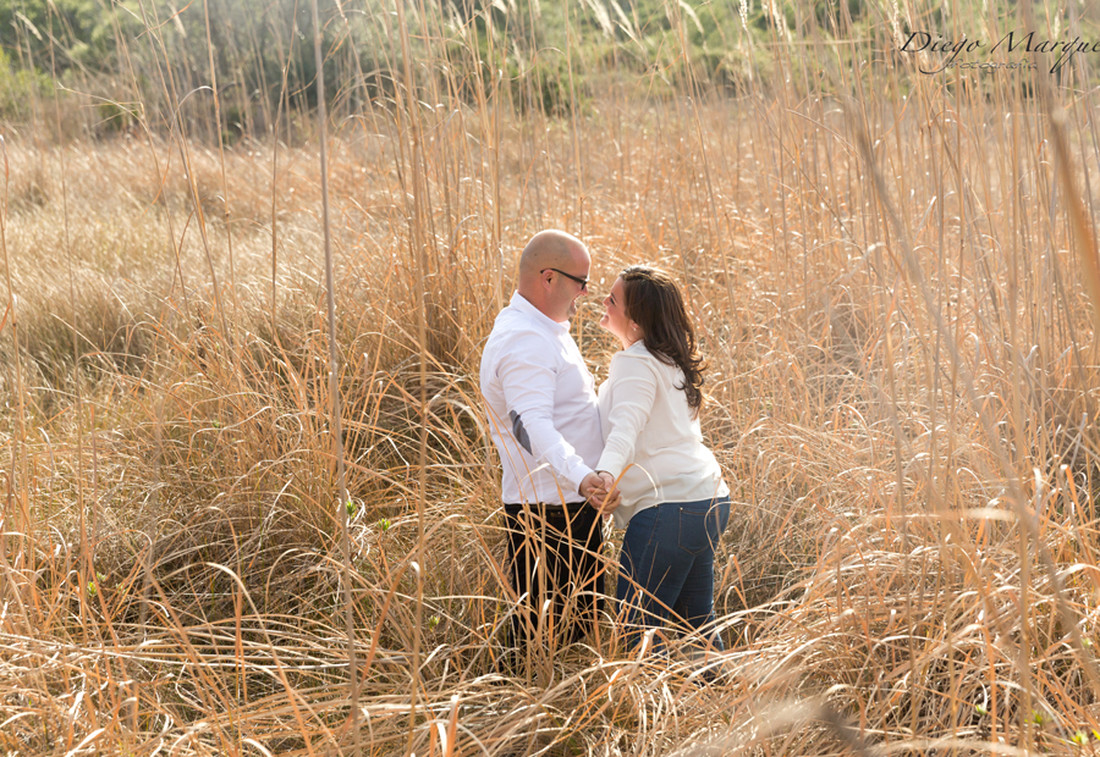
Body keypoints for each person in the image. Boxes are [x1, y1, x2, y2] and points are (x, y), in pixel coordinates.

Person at [480, 229, 618, 648]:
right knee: (553, 641)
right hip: (552, 512)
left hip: (567, 506)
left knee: (571, 634)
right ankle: (531, 709)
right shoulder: (525, 339)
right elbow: (529, 424)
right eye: (581, 282)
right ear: (548, 278)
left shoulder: (543, 329)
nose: (586, 292)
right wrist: (581, 477)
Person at [592, 265, 730, 651]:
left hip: (669, 509)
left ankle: (634, 712)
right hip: (708, 500)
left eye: (613, 299)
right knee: (697, 627)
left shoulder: (635, 362)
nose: (605, 300)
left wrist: (605, 477)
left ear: (635, 320)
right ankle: (731, 705)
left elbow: (626, 427)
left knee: (634, 638)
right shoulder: (669, 361)